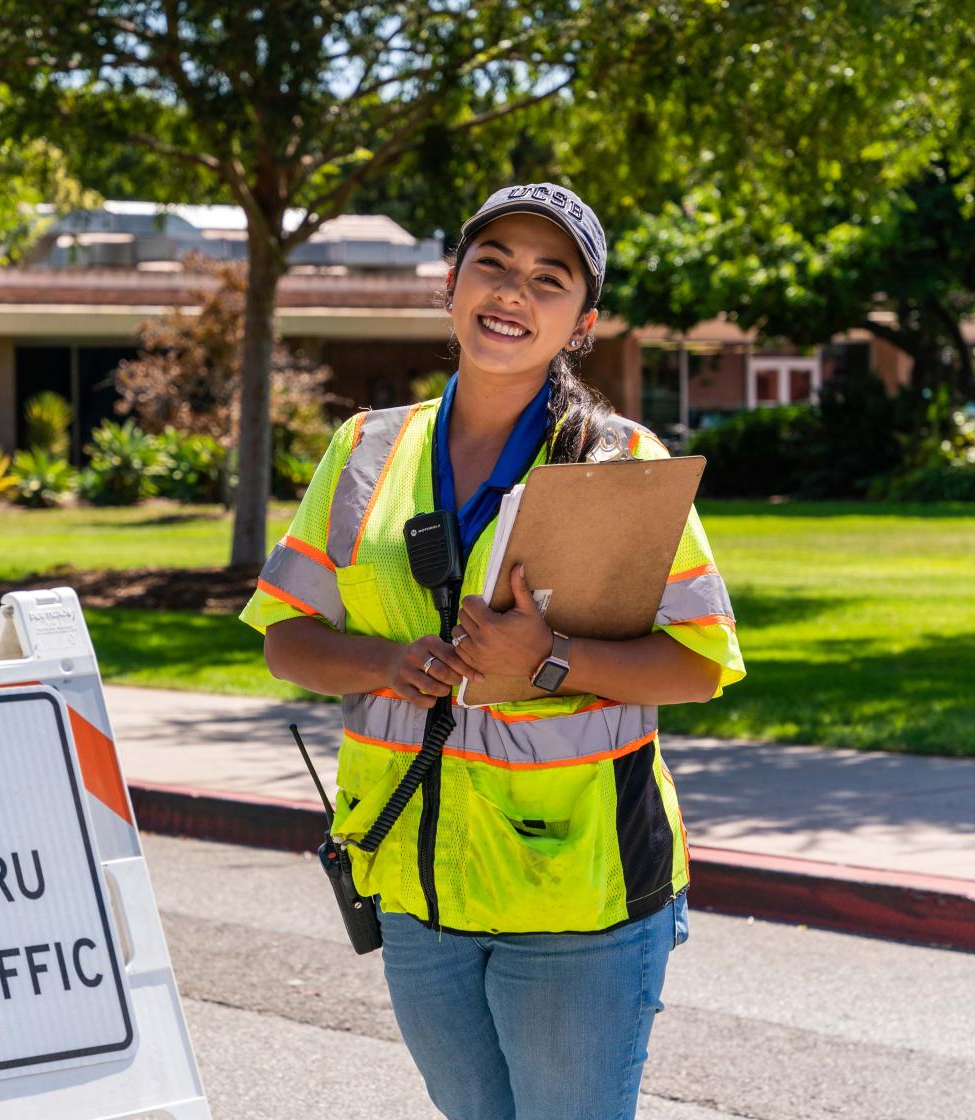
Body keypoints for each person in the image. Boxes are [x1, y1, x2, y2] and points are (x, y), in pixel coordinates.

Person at [239, 183, 745, 1120]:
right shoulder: (365, 452)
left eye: (549, 280)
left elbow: (699, 663)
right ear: (450, 284)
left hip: (576, 895)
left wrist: (550, 659)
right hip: (413, 881)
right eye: (494, 265)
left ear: (583, 322)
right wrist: (389, 664)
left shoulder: (620, 461)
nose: (514, 294)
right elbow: (286, 640)